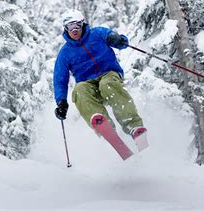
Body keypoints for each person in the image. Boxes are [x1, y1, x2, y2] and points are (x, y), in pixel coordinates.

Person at [53, 9, 146, 140]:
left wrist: (117, 39)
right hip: (89, 85)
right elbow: (59, 79)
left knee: (107, 84)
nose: (74, 29)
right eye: (70, 26)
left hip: (109, 74)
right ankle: (105, 127)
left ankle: (132, 124)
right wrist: (61, 101)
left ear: (82, 24)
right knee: (79, 89)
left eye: (77, 25)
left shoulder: (97, 33)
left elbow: (121, 43)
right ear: (65, 29)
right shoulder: (65, 53)